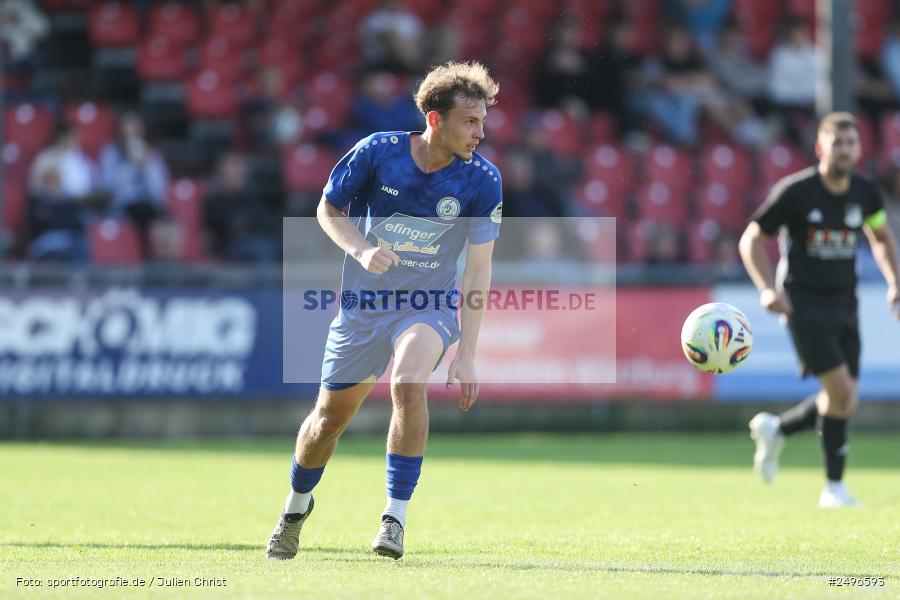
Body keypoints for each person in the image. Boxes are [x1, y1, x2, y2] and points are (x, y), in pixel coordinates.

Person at [266, 61, 502, 560]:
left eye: (483, 121)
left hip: (428, 305)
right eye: (470, 121)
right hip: (363, 307)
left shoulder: (483, 180)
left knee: (408, 382)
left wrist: (468, 353)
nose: (480, 133)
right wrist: (361, 250)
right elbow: (328, 209)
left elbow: (478, 270)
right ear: (435, 120)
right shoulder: (378, 152)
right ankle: (295, 507)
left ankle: (395, 517)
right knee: (328, 419)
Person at [739, 112, 900, 508]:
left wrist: (895, 281)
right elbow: (751, 240)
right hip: (803, 302)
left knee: (844, 401)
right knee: (841, 392)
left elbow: (880, 235)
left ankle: (778, 428)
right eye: (836, 142)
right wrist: (765, 290)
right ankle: (834, 488)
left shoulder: (865, 193)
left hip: (846, 302)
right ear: (820, 147)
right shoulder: (795, 193)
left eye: (850, 143)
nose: (844, 150)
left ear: (860, 149)